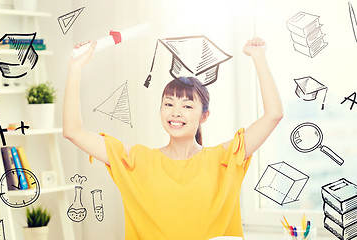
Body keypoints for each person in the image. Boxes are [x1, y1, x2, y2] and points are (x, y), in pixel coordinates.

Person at [63, 37, 283, 240]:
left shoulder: (224, 160)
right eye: (169, 104)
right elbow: (73, 132)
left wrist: (258, 56)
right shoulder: (137, 161)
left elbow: (274, 114)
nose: (176, 112)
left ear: (204, 116)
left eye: (187, 106)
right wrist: (75, 68)